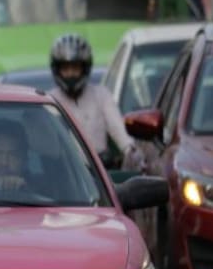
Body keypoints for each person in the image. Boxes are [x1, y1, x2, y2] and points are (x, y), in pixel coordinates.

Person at [48, 33, 142, 170]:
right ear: (57, 70)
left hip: (101, 171)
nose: (71, 73)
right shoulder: (51, 101)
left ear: (85, 68)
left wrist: (130, 150)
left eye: (75, 68)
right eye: (66, 69)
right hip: (65, 173)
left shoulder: (101, 95)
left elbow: (117, 128)